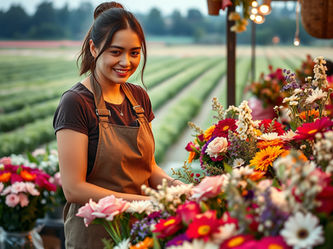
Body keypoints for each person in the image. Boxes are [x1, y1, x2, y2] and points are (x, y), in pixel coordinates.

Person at [53, 2, 182, 248]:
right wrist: (144, 202)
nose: (126, 61)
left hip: (140, 229)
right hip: (94, 233)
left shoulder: (139, 98)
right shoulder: (76, 102)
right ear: (94, 47)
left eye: (134, 52)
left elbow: (148, 168)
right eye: (115, 52)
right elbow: (74, 188)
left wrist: (176, 189)